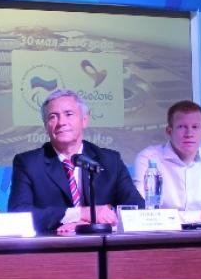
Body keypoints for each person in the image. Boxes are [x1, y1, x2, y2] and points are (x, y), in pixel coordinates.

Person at [8, 89, 143, 234]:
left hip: (104, 245)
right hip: (54, 248)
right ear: (46, 125)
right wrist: (79, 214)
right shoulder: (28, 163)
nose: (61, 122)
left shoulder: (110, 160)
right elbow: (18, 215)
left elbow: (136, 207)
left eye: (69, 114)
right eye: (53, 117)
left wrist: (97, 220)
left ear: (84, 120)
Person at [134, 100, 201, 222]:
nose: (189, 134)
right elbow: (141, 213)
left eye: (195, 127)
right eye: (182, 127)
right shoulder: (149, 158)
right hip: (159, 236)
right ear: (169, 131)